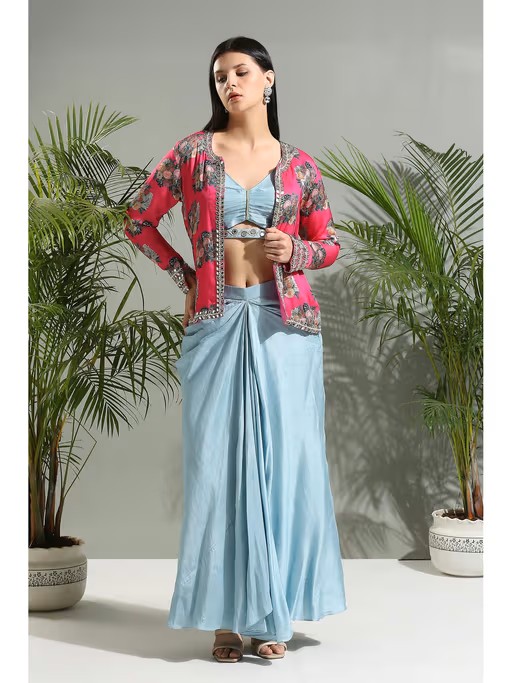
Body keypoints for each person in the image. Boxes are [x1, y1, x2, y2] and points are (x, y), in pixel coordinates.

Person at [124, 35, 347, 663]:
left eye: (241, 72)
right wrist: (186, 274)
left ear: (269, 79)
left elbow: (329, 244)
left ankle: (272, 612)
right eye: (221, 76)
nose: (230, 84)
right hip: (217, 323)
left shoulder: (300, 166)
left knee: (286, 468)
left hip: (287, 329)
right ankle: (224, 618)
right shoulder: (192, 154)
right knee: (217, 469)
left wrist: (296, 250)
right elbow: (138, 220)